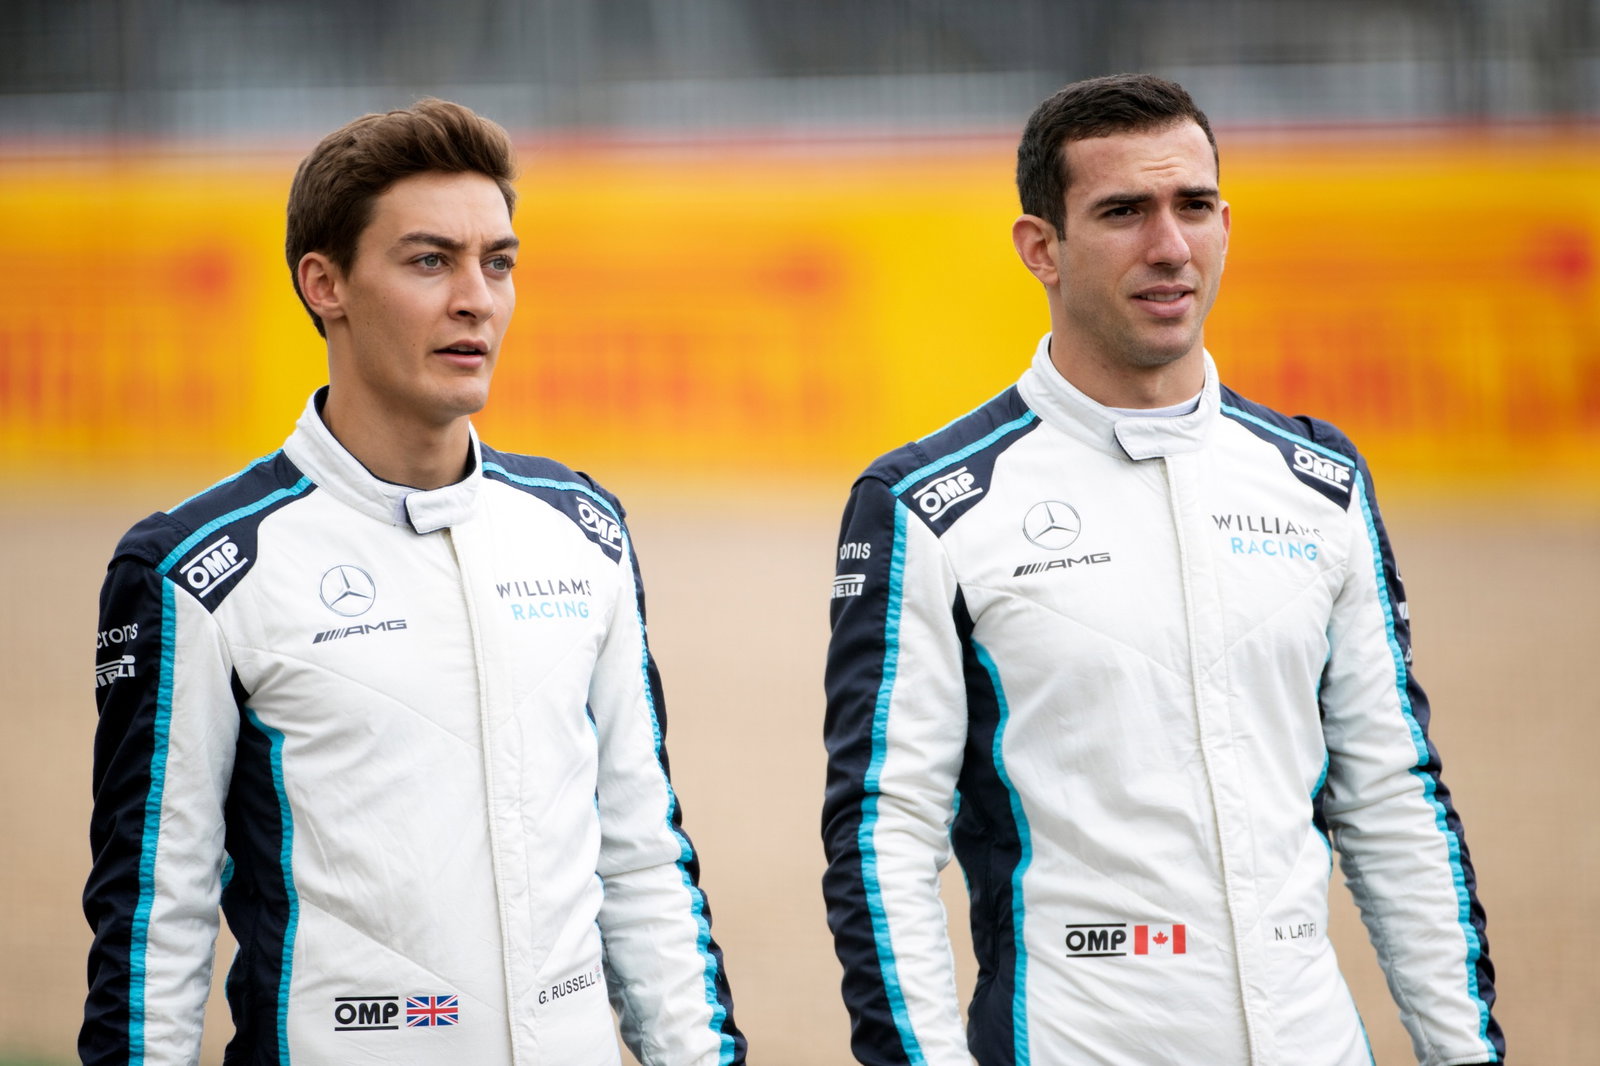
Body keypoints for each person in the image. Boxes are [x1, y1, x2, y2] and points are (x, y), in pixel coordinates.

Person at [821, 74, 1502, 1066]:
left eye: (1193, 206)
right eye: (1123, 212)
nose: (1170, 246)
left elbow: (1392, 800)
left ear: (1225, 224)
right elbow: (882, 837)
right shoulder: (927, 505)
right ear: (1040, 248)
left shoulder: (1318, 483)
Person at [83, 98, 745, 1066]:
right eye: (431, 261)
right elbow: (154, 924)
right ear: (325, 284)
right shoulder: (197, 572)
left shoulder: (582, 531)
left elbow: (643, 860)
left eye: (498, 263)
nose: (477, 299)